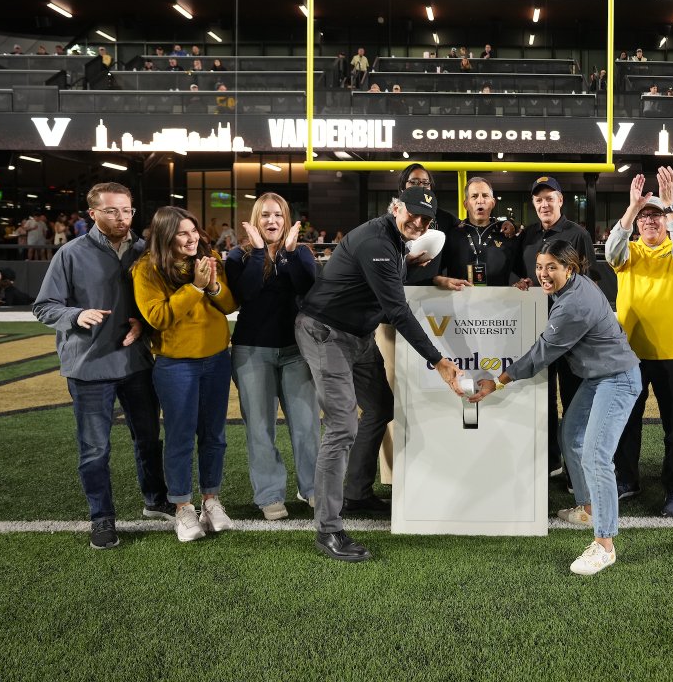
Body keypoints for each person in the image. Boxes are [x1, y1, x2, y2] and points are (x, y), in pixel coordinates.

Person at [295, 187, 464, 562]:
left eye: (425, 219)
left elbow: (387, 279)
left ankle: (355, 493)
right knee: (342, 427)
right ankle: (328, 529)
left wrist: (413, 268)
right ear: (396, 207)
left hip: (356, 335)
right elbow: (398, 312)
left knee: (380, 406)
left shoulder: (393, 242)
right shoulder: (378, 242)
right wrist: (438, 360)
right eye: (412, 214)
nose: (418, 223)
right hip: (326, 333)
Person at [468, 240, 640, 576]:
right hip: (597, 377)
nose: (544, 273)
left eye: (552, 268)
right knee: (571, 435)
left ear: (570, 269)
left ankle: (605, 545)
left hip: (617, 379)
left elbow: (540, 354)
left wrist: (498, 381)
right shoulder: (575, 284)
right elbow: (549, 290)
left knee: (595, 455)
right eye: (540, 266)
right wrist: (536, 284)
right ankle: (590, 508)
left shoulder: (573, 304)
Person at [33, 182, 171, 550]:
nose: (122, 218)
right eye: (112, 211)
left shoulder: (145, 252)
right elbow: (44, 306)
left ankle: (155, 500)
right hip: (89, 368)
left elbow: (156, 304)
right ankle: (102, 517)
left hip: (136, 364)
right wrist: (76, 315)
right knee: (95, 449)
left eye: (127, 210)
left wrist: (143, 323)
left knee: (148, 439)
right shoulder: (70, 254)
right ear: (92, 213)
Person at [133, 206, 238, 543]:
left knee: (214, 435)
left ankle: (211, 500)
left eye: (193, 231)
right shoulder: (146, 269)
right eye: (182, 233)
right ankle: (182, 507)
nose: (192, 238)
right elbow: (159, 318)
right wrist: (194, 287)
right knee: (180, 437)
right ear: (166, 236)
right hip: (176, 364)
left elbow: (229, 305)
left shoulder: (209, 258)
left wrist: (211, 286)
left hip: (217, 359)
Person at [606, 169, 673, 517]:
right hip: (630, 355)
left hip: (672, 354)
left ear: (666, 221)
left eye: (655, 217)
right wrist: (632, 208)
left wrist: (670, 204)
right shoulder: (627, 253)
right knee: (627, 423)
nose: (649, 223)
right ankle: (628, 480)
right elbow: (612, 250)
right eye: (645, 217)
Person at [226, 193, 319, 520]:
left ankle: (312, 489)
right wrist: (259, 255)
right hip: (252, 351)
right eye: (265, 215)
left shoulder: (301, 253)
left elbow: (309, 291)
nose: (272, 221)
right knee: (260, 427)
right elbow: (244, 294)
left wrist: (290, 254)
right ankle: (268, 495)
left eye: (278, 215)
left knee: (307, 425)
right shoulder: (238, 256)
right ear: (255, 218)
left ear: (287, 219)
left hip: (296, 352)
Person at [513, 176, 598, 479]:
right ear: (533, 204)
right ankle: (551, 461)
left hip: (572, 334)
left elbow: (591, 280)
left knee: (574, 399)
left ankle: (578, 470)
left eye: (550, 198)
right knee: (542, 400)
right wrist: (518, 280)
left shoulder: (577, 234)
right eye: (539, 199)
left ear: (561, 200)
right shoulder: (527, 235)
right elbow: (515, 269)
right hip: (537, 329)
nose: (544, 204)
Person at [438, 177, 517, 286]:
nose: (480, 201)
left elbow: (521, 273)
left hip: (498, 301)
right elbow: (434, 271)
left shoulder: (506, 234)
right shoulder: (452, 235)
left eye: (485, 196)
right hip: (458, 300)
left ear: (493, 202)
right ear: (465, 204)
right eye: (474, 196)